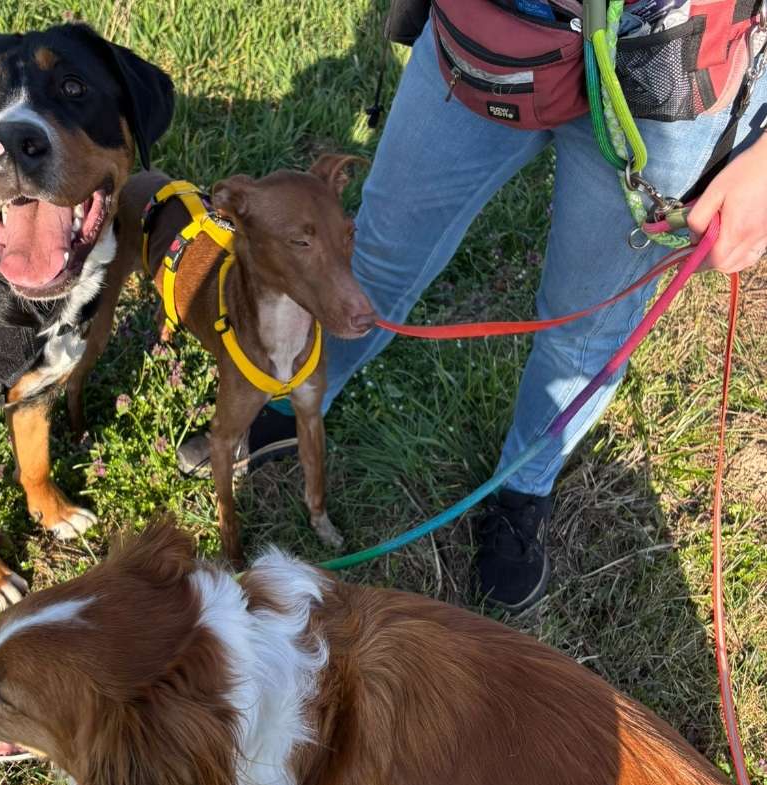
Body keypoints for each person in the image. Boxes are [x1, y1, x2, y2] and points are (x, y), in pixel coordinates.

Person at [180, 4, 767, 611]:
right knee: (375, 255)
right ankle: (290, 396)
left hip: (668, 67)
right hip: (491, 31)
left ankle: (523, 490)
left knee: (585, 327)